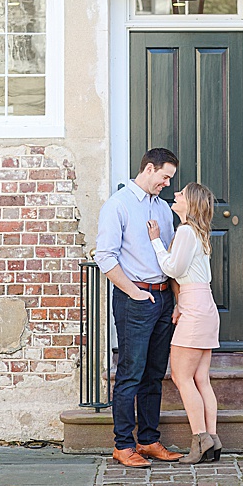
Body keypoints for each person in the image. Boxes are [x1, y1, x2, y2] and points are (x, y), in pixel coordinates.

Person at [95, 148, 183, 468]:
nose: (167, 184)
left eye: (170, 179)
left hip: (163, 300)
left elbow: (171, 259)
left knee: (154, 373)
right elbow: (105, 257)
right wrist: (135, 294)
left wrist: (176, 301)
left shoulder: (162, 209)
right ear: (148, 168)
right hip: (135, 299)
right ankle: (123, 445)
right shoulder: (117, 205)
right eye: (164, 177)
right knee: (130, 374)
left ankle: (148, 440)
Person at [147, 182, 221, 464]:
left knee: (181, 377)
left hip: (195, 310)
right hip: (203, 305)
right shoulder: (198, 233)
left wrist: (155, 241)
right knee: (201, 378)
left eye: (181, 194)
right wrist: (179, 303)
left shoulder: (186, 231)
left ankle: (200, 439)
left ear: (189, 203)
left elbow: (173, 269)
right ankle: (212, 440)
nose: (175, 195)